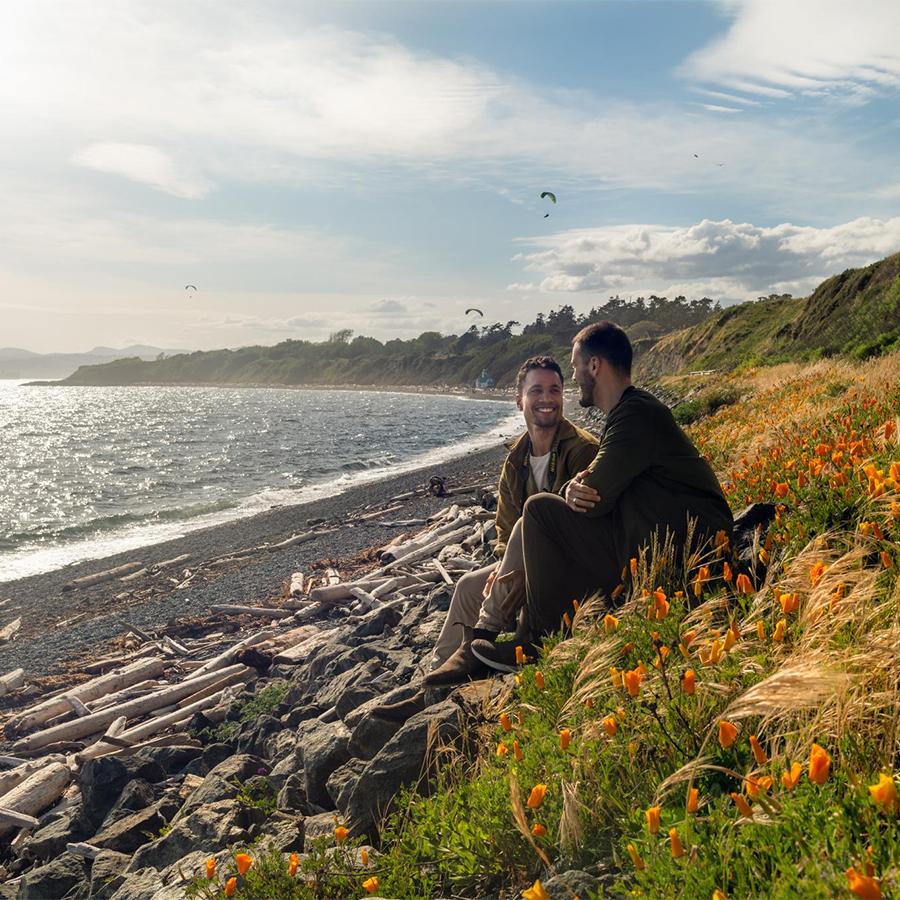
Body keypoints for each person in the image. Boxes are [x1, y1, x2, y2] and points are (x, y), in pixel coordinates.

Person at [471, 321, 734, 673]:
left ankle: (534, 640)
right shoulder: (626, 415)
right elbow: (597, 484)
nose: (576, 377)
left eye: (578, 366)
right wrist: (578, 487)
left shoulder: (636, 413)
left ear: (595, 365)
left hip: (687, 552)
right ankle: (510, 636)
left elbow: (595, 497)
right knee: (545, 519)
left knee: (539, 511)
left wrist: (574, 488)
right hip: (659, 544)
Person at [371, 356, 598, 720]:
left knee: (528, 529)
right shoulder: (516, 459)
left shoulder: (581, 449)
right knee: (466, 586)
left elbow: (584, 526)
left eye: (555, 390)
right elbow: (505, 530)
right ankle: (431, 687)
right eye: (536, 390)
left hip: (566, 572)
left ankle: (481, 645)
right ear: (519, 400)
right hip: (522, 565)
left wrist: (515, 565)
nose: (547, 398)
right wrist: (502, 564)